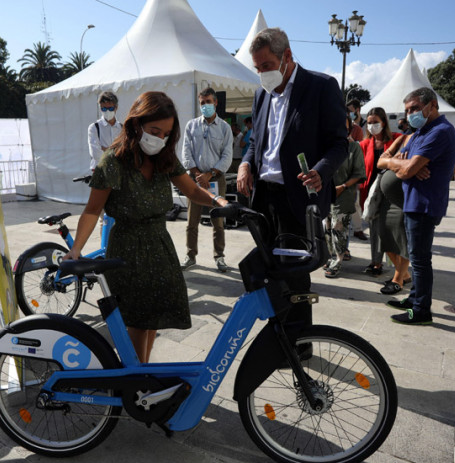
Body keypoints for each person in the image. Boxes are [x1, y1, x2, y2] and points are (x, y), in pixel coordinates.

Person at [65, 91, 228, 363]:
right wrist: (76, 248)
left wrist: (218, 200)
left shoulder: (164, 157)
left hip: (159, 246)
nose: (160, 139)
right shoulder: (113, 161)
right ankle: (136, 382)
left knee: (152, 320)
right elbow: (93, 210)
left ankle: (140, 375)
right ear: (136, 123)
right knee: (139, 321)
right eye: (154, 130)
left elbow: (192, 191)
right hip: (128, 250)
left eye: (166, 133)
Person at [237, 27, 348, 332]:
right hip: (264, 198)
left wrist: (321, 171)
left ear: (286, 56)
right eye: (257, 68)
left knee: (296, 275)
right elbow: (256, 144)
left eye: (267, 66)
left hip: (298, 198)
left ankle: (300, 344)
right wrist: (246, 165)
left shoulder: (320, 86)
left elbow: (339, 142)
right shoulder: (261, 94)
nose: (262, 74)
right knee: (270, 271)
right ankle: (278, 338)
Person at [383, 87, 455, 325]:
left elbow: (405, 170)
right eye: (408, 110)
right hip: (413, 202)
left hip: (425, 205)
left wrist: (404, 168)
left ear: (432, 105)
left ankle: (421, 310)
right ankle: (414, 298)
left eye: (415, 108)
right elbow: (384, 162)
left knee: (421, 260)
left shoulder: (440, 131)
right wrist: (400, 164)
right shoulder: (418, 133)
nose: (411, 114)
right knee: (416, 257)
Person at [180, 87, 233, 272]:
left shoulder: (225, 128)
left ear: (216, 102)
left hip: (215, 179)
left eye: (208, 102)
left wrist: (210, 174)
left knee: (218, 221)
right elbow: (186, 152)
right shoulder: (191, 126)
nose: (205, 106)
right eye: (202, 103)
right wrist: (197, 174)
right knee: (191, 221)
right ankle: (190, 255)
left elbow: (227, 155)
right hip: (194, 179)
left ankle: (219, 256)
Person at [359, 107, 402, 277]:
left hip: (392, 192)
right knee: (375, 229)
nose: (372, 126)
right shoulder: (364, 144)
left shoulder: (397, 139)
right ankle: (375, 262)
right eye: (369, 123)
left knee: (391, 229)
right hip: (372, 193)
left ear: (384, 122)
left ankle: (399, 268)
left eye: (375, 122)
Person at [324, 113, 366, 278]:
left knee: (338, 227)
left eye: (345, 125)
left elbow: (358, 173)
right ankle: (331, 256)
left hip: (344, 193)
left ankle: (338, 260)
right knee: (327, 226)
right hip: (327, 194)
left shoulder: (354, 147)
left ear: (349, 128)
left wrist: (342, 186)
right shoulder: (327, 146)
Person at [376, 132, 411, 294]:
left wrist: (391, 162)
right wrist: (395, 162)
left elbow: (411, 168)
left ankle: (398, 279)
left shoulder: (424, 139)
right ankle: (405, 273)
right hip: (387, 200)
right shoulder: (402, 138)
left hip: (405, 199)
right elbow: (380, 162)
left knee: (402, 239)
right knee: (384, 237)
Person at [88, 91, 123, 172]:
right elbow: (95, 153)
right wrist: (115, 151)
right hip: (101, 170)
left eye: (110, 108)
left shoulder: (122, 128)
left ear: (116, 107)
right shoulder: (94, 127)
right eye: (104, 108)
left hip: (119, 171)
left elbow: (125, 151)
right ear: (100, 108)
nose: (107, 111)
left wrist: (105, 149)